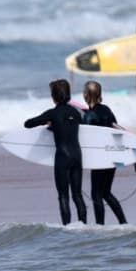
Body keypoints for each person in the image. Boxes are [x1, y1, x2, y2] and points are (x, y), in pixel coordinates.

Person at [24, 79, 88, 225]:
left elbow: (28, 124)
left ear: (53, 97)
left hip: (63, 158)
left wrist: (46, 122)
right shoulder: (76, 113)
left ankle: (67, 228)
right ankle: (84, 226)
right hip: (77, 156)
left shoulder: (52, 113)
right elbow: (72, 127)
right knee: (77, 195)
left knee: (63, 196)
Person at [82, 81, 127, 225]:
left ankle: (100, 226)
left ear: (86, 95)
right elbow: (116, 130)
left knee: (96, 194)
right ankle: (123, 222)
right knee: (106, 192)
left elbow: (85, 136)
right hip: (112, 155)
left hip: (100, 157)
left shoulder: (89, 115)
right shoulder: (106, 110)